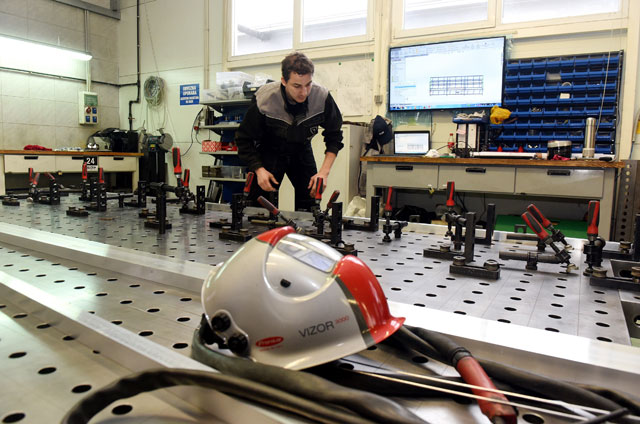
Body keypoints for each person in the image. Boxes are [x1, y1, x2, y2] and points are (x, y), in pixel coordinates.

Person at [235, 52, 343, 211]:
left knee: (311, 206)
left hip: (301, 151)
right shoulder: (264, 99)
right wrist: (258, 169)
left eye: (308, 85)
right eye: (297, 86)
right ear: (284, 81)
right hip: (269, 153)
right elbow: (243, 139)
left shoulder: (322, 97)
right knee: (260, 209)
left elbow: (334, 137)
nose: (304, 92)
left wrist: (323, 173)